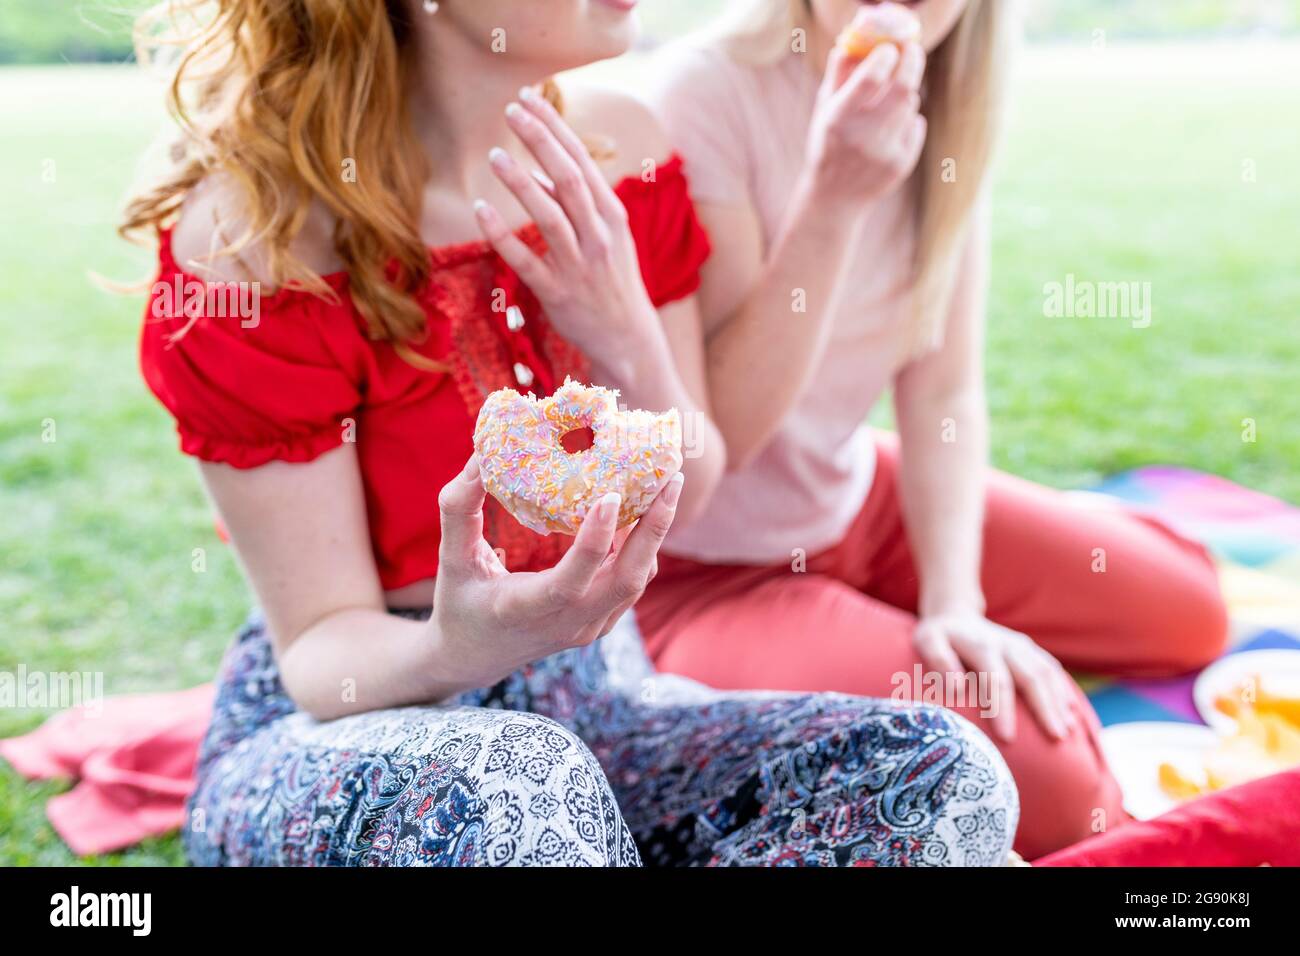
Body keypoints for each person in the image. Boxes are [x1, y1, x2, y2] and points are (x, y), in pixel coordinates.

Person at [123, 0, 1018, 866]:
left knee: (941, 770)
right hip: (351, 727)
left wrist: (623, 327)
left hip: (597, 706)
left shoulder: (622, 151)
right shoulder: (254, 244)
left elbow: (693, 483)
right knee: (527, 791)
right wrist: (461, 646)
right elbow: (320, 651)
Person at [637, 0, 1228, 858]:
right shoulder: (702, 96)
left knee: (1191, 611)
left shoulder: (946, 101)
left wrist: (957, 600)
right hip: (701, 573)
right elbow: (725, 440)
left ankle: (882, 606)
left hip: (851, 494)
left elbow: (944, 393)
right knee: (1063, 789)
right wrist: (834, 197)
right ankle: (852, 624)